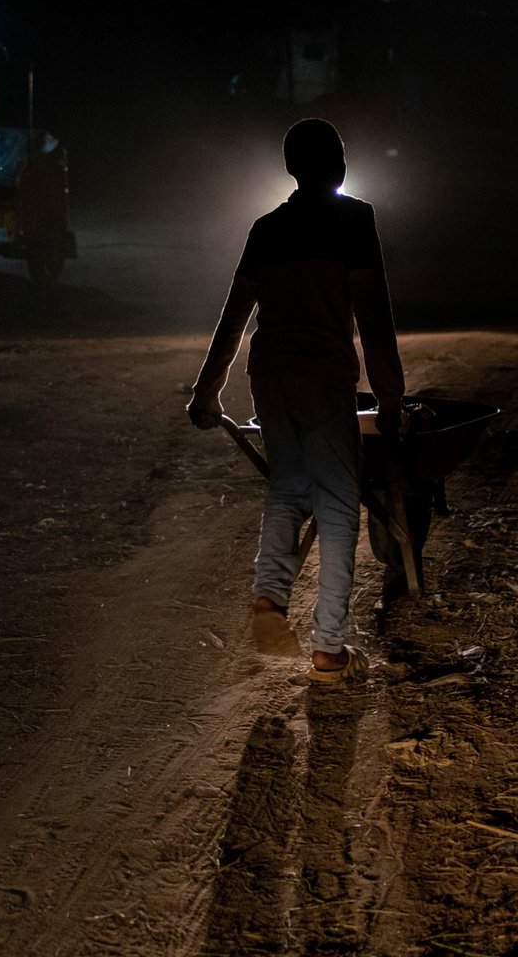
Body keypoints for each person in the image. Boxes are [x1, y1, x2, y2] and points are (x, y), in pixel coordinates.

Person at [186, 118, 405, 680]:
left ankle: (270, 597)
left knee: (287, 485)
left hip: (271, 375)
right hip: (323, 374)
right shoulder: (355, 219)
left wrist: (206, 392)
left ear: (290, 169)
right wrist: (390, 398)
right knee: (338, 503)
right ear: (341, 167)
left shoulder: (266, 229)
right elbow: (375, 316)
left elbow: (233, 317)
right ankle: (329, 648)